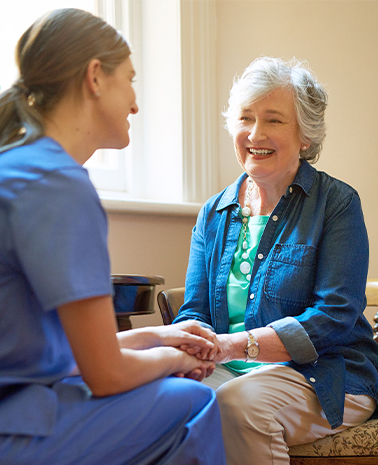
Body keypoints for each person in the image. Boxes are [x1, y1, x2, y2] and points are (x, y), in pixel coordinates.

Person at [0, 9, 226, 465]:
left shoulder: (18, 168)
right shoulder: (56, 183)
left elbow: (62, 354)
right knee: (193, 403)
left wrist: (161, 338)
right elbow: (105, 374)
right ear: (95, 77)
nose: (136, 103)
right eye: (131, 79)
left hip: (18, 398)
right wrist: (177, 361)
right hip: (15, 429)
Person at [174, 56, 378, 464]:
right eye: (245, 118)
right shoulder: (214, 212)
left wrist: (233, 345)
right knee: (164, 399)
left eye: (273, 120)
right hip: (230, 370)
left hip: (327, 375)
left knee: (240, 403)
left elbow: (333, 315)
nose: (255, 133)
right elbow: (194, 310)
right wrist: (195, 349)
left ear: (305, 135)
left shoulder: (337, 204)